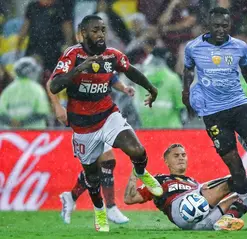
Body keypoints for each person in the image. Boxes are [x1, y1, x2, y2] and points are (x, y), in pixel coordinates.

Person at [48, 15, 163, 232]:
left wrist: (151, 88)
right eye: (95, 30)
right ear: (83, 33)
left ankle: (141, 174)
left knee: (137, 150)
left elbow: (130, 70)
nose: (100, 34)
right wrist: (80, 68)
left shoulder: (111, 56)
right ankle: (100, 210)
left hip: (108, 115)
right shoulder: (73, 55)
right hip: (83, 126)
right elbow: (54, 86)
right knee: (92, 178)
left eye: (103, 29)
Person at [182, 7, 247, 232]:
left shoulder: (239, 47)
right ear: (208, 24)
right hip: (213, 113)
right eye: (216, 26)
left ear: (229, 26)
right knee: (236, 170)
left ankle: (246, 139)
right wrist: (186, 94)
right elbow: (188, 70)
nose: (220, 30)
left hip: (238, 106)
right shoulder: (194, 47)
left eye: (225, 26)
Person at [124, 144, 247, 231]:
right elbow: (129, 199)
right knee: (235, 180)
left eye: (184, 155)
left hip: (199, 224)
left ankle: (225, 220)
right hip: (182, 209)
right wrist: (136, 172)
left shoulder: (192, 182)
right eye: (176, 155)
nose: (181, 158)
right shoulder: (159, 179)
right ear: (166, 161)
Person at [46, 63, 135, 224]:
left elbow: (111, 77)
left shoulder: (102, 58)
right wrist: (58, 107)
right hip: (81, 118)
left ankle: (106, 207)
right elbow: (51, 82)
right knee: (96, 167)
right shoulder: (74, 57)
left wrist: (123, 87)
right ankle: (105, 207)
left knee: (106, 162)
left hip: (102, 115)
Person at [0, 57, 50, 129]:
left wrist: (12, 122)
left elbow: (1, 112)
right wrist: (23, 123)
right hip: (35, 133)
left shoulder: (8, 90)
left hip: (12, 134)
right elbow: (43, 112)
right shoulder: (37, 89)